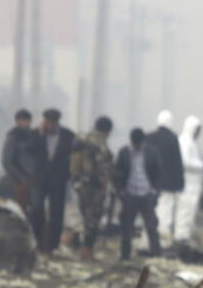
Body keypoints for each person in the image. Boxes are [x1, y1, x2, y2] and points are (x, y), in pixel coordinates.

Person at [70, 116, 114, 261]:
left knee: (84, 216)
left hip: (80, 184)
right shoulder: (100, 144)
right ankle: (87, 251)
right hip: (93, 186)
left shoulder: (83, 138)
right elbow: (103, 168)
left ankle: (83, 248)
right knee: (92, 218)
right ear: (107, 130)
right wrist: (104, 185)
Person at [114, 127, 163, 260]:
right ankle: (125, 255)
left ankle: (156, 253)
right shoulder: (124, 153)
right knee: (126, 226)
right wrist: (120, 192)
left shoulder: (152, 153)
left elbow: (158, 173)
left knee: (151, 225)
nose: (137, 145)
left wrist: (155, 192)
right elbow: (117, 174)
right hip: (130, 194)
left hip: (147, 193)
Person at [34, 108, 75, 254]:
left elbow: (74, 157)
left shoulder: (68, 136)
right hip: (39, 179)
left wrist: (69, 175)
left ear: (57, 123)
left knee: (57, 212)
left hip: (59, 180)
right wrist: (39, 134)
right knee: (37, 208)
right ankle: (37, 241)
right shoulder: (36, 134)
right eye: (47, 122)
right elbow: (29, 151)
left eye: (52, 123)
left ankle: (53, 244)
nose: (49, 126)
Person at [147, 110, 184, 247]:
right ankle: (162, 239)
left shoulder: (149, 137)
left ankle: (150, 237)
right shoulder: (173, 138)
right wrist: (180, 182)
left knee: (150, 209)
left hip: (149, 182)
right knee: (165, 210)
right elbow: (177, 162)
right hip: (167, 183)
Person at [1, 108, 44, 218]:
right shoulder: (13, 137)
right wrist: (21, 178)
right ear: (17, 121)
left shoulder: (34, 135)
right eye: (22, 120)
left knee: (37, 212)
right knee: (21, 212)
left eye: (27, 120)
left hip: (35, 180)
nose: (25, 123)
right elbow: (7, 161)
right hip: (20, 182)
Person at [174, 115, 203, 244]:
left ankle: (184, 237)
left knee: (189, 213)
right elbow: (185, 161)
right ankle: (181, 238)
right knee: (184, 212)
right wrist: (202, 165)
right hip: (187, 184)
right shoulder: (185, 141)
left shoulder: (192, 142)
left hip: (193, 185)